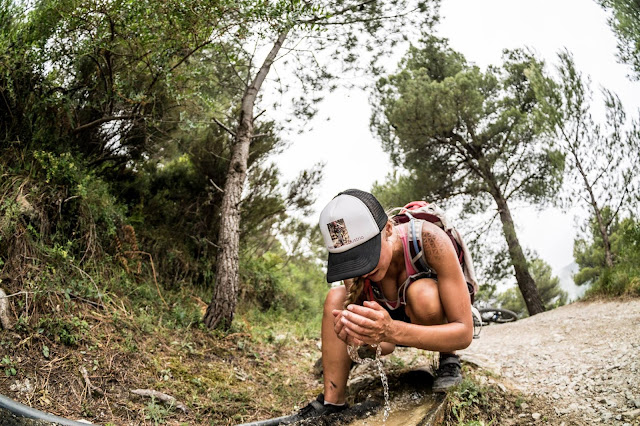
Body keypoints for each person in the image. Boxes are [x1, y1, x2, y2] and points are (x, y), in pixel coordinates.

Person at [285, 189, 474, 423]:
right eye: (352, 260)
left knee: (423, 294)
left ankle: (448, 359)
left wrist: (391, 330)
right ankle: (332, 401)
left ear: (388, 230)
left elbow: (464, 332)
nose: (363, 269)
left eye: (366, 255)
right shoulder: (356, 273)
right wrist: (357, 339)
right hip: (390, 325)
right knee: (336, 297)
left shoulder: (430, 240)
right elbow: (385, 347)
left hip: (428, 316)